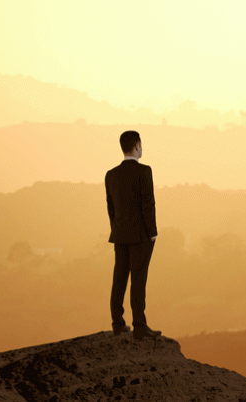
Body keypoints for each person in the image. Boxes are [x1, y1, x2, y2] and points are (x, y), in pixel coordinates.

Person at [105, 130, 162, 340]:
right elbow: (148, 204)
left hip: (120, 234)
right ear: (137, 146)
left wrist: (116, 228)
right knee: (138, 280)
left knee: (119, 278)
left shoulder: (111, 174)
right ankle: (139, 325)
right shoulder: (144, 171)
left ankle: (117, 323)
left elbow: (111, 207)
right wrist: (152, 232)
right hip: (140, 235)